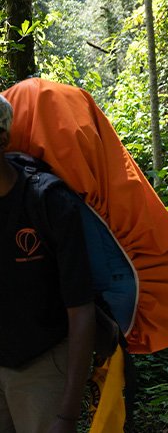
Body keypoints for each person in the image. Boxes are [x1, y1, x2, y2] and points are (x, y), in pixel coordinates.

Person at [0, 94, 96, 432]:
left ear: (2, 138)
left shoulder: (47, 200)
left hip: (41, 364)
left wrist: (67, 414)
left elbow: (81, 309)